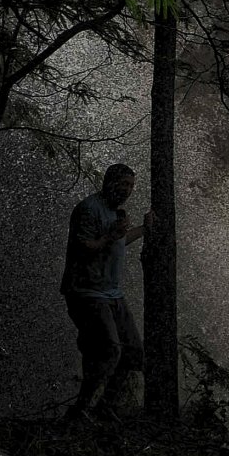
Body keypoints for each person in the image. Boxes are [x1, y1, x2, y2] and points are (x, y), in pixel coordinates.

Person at [61, 164, 152, 423]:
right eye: (123, 184)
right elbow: (84, 248)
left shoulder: (114, 213)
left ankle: (105, 406)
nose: (127, 191)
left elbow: (119, 241)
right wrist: (111, 236)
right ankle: (81, 410)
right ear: (108, 182)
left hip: (112, 294)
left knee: (134, 352)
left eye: (131, 186)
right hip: (86, 292)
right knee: (109, 349)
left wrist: (144, 229)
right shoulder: (89, 209)